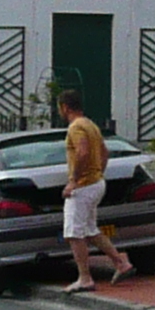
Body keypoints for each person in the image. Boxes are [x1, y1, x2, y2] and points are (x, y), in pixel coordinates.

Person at [57, 89, 123, 292]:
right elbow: (105, 152)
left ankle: (85, 277)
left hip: (83, 186)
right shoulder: (90, 124)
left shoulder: (75, 127)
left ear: (65, 107)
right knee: (89, 229)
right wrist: (98, 173)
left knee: (73, 233)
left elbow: (83, 151)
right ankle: (120, 262)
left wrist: (73, 180)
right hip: (96, 183)